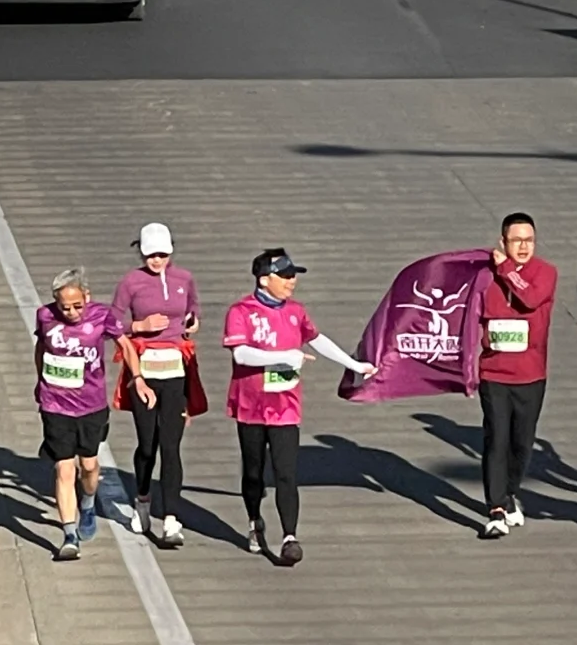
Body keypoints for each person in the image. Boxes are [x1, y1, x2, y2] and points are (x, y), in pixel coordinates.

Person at [224, 249, 376, 565]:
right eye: (285, 276)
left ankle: (289, 537)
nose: (291, 281)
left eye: (293, 275)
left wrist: (354, 364)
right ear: (264, 279)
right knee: (253, 473)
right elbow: (241, 354)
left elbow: (317, 340)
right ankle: (254, 521)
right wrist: (284, 356)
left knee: (286, 473)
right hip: (250, 405)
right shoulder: (241, 311)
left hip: (285, 407)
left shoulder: (296, 311)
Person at [34, 267, 138, 562]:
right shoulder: (45, 316)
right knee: (64, 469)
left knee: (89, 467)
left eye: (77, 306)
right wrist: (40, 380)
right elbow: (41, 348)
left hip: (91, 406)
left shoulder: (102, 316)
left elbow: (125, 345)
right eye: (64, 307)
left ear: (87, 297)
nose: (71, 313)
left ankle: (89, 502)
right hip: (55, 405)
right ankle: (69, 535)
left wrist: (138, 377)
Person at [112, 223, 202, 547]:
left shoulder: (184, 279)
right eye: (151, 255)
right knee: (148, 445)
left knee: (171, 446)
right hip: (144, 370)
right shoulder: (131, 282)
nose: (157, 260)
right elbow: (111, 323)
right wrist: (140, 326)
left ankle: (172, 519)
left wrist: (193, 322)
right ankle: (142, 500)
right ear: (141, 252)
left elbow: (193, 308)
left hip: (176, 370)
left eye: (163, 254)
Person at [478, 214, 558, 539]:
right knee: (496, 439)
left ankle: (510, 493)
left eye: (529, 240)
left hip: (530, 375)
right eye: (516, 240)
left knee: (522, 443)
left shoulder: (546, 273)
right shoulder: (485, 276)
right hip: (493, 374)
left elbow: (530, 298)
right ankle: (495, 508)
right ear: (503, 242)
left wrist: (506, 269)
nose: (523, 246)